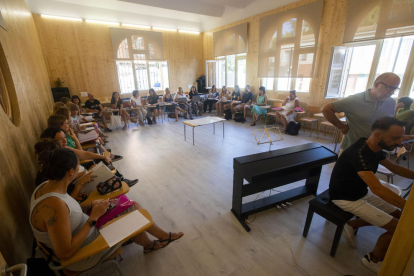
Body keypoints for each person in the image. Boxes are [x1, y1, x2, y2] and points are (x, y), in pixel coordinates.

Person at [30, 147, 184, 272]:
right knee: (133, 213)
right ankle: (160, 239)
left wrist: (91, 205)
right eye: (78, 166)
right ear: (71, 172)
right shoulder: (54, 206)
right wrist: (92, 219)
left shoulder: (45, 187)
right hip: (84, 253)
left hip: (87, 232)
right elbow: (65, 253)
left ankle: (153, 243)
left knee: (130, 206)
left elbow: (68, 209)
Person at [328, 117, 412, 273]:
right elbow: (377, 188)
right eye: (395, 138)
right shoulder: (359, 153)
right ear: (377, 135)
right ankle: (372, 259)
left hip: (360, 192)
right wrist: (409, 207)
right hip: (344, 198)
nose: (399, 142)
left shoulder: (374, 148)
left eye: (400, 137)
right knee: (397, 227)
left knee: (400, 216)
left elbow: (395, 168)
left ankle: (352, 225)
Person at [321, 72, 400, 154]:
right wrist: (342, 127)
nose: (392, 92)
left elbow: (391, 123)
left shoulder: (392, 102)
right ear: (376, 85)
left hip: (376, 150)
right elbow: (326, 109)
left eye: (395, 89)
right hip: (352, 150)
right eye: (389, 88)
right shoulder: (355, 99)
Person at [39, 127, 137, 187]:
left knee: (100, 159)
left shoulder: (62, 148)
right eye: (60, 139)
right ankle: (119, 182)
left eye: (65, 137)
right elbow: (66, 179)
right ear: (51, 141)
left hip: (81, 172)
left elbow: (83, 154)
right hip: (79, 179)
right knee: (99, 162)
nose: (65, 141)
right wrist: (87, 172)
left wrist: (102, 157)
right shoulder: (55, 158)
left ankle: (120, 179)